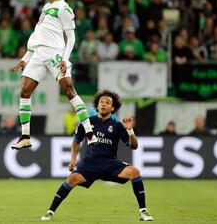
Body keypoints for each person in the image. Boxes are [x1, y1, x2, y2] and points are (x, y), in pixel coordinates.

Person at [11, 0, 97, 149]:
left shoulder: (64, 8)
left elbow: (71, 37)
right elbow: (37, 35)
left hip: (55, 54)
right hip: (38, 54)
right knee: (25, 91)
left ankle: (90, 133)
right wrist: (25, 58)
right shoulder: (46, 7)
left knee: (69, 90)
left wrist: (65, 59)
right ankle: (25, 136)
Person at [40, 90, 154, 221]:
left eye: (107, 103)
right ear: (97, 105)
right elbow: (76, 141)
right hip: (90, 163)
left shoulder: (117, 126)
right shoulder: (87, 122)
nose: (103, 104)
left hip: (110, 163)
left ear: (113, 107)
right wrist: (73, 159)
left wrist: (130, 130)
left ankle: (143, 212)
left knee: (134, 172)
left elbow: (134, 146)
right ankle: (50, 211)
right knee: (71, 179)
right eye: (101, 102)